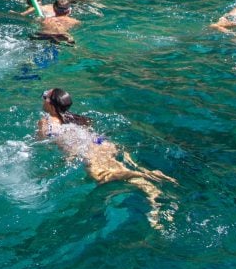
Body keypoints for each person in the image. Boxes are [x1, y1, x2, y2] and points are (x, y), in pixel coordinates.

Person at [36, 88, 176, 229]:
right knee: (119, 170)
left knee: (108, 176)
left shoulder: (45, 122)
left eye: (44, 97)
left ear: (51, 104)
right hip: (102, 144)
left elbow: (42, 145)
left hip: (88, 152)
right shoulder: (75, 118)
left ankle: (146, 178)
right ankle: (149, 182)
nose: (42, 99)